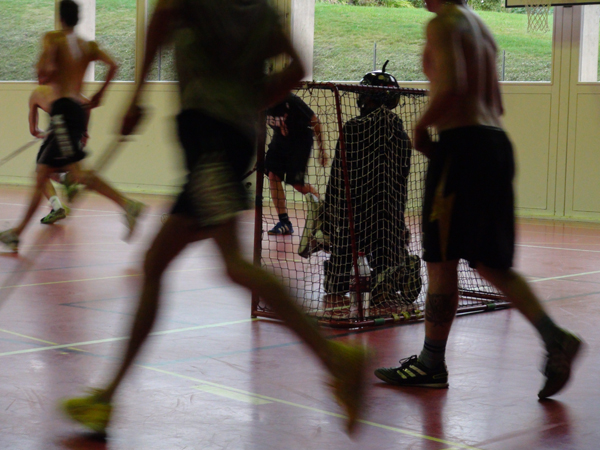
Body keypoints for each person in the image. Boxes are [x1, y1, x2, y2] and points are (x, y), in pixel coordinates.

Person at [61, 0, 367, 437]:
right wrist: (249, 98)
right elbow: (297, 67)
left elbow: (162, 17)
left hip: (210, 141)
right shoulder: (262, 10)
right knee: (163, 263)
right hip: (231, 138)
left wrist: (137, 97)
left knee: (229, 265)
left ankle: (337, 359)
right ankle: (106, 398)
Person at [374, 0, 582, 399]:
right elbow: (497, 104)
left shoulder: (443, 23)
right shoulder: (480, 28)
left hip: (463, 145)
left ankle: (431, 363)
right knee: (489, 262)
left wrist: (420, 126)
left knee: (441, 259)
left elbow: (452, 86)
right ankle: (554, 336)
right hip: (495, 144)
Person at [0, 0, 144, 252]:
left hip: (63, 111)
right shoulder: (89, 45)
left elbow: (43, 71)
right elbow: (114, 65)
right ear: (78, 18)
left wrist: (46, 67)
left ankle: (127, 204)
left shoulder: (53, 38)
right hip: (77, 110)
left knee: (71, 173)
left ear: (60, 17)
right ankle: (17, 233)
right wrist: (100, 93)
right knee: (44, 173)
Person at [313, 64, 419, 305]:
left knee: (335, 284)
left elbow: (338, 178)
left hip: (353, 216)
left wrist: (328, 218)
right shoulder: (401, 136)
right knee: (385, 260)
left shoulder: (353, 129)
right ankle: (394, 271)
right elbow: (402, 184)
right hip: (388, 219)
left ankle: (387, 273)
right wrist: (399, 221)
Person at [265, 93, 327, 235]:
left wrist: (322, 151)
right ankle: (284, 222)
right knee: (273, 175)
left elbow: (315, 122)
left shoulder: (291, 101)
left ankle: (325, 214)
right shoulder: (262, 103)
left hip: (300, 142)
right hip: (280, 141)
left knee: (298, 185)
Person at [29, 81, 88, 225]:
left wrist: (43, 134)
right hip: (74, 133)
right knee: (53, 168)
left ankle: (57, 207)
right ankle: (66, 180)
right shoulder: (65, 89)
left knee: (41, 173)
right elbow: (86, 104)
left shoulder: (36, 93)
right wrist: (84, 132)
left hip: (58, 134)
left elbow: (33, 130)